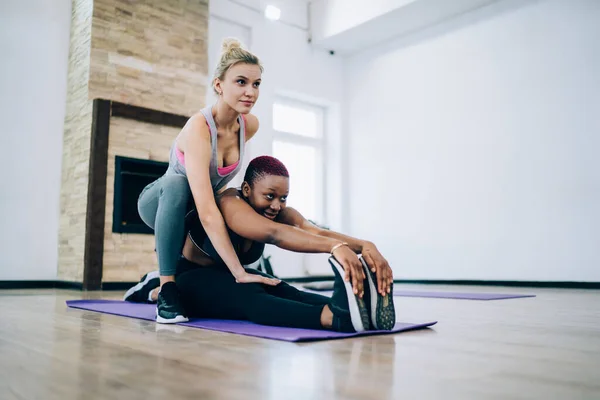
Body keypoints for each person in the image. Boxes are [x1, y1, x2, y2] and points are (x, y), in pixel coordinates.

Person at [127, 156, 396, 332]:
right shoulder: (231, 205)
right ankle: (333, 318)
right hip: (189, 278)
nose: (276, 205)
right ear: (247, 190)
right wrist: (336, 249)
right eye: (269, 196)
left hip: (228, 275)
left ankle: (355, 308)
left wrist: (364, 245)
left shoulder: (277, 211)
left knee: (283, 289)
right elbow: (274, 234)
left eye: (283, 198)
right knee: (249, 298)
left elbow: (313, 230)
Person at [135, 38, 278, 324]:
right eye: (241, 82)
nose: (250, 92)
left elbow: (217, 193)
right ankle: (166, 289)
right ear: (218, 85)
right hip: (162, 200)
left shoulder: (249, 125)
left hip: (193, 209)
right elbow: (205, 208)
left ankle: (149, 286)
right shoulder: (199, 128)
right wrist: (238, 271)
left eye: (256, 84)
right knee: (178, 184)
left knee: (232, 202)